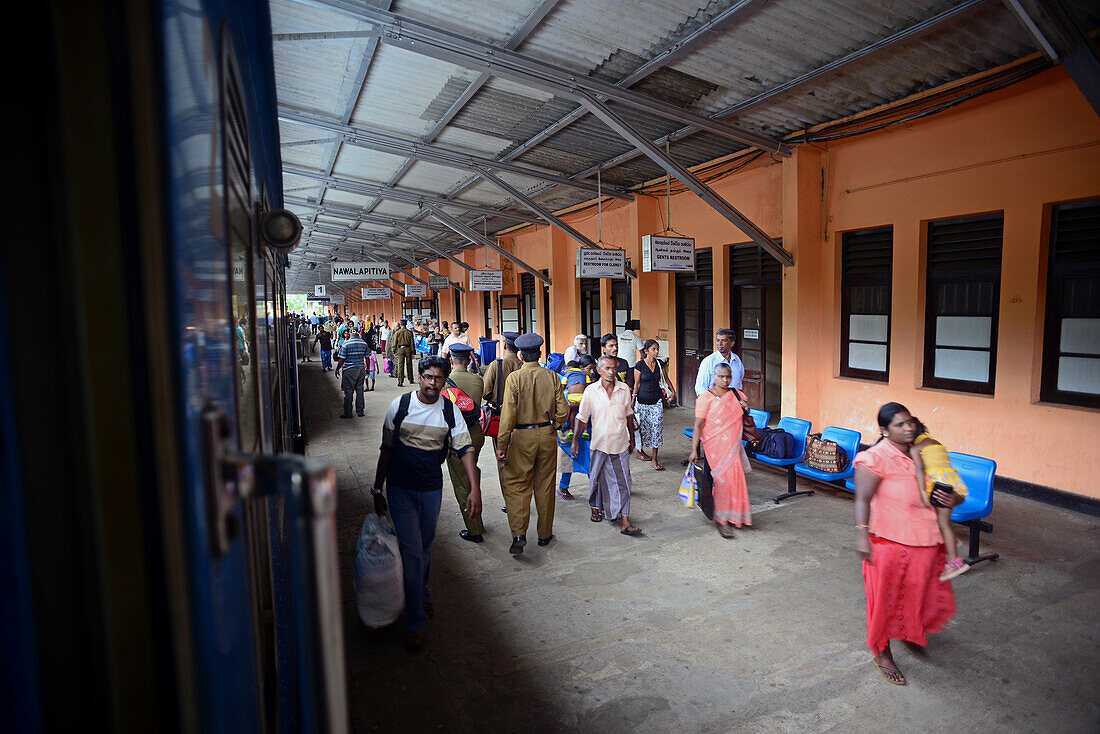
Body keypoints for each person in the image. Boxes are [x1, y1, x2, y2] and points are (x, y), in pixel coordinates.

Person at [369, 356, 480, 651]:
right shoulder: (400, 407)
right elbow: (387, 449)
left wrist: (475, 489)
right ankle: (416, 620)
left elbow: (465, 448)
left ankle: (422, 592)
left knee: (425, 548)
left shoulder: (449, 410)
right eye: (428, 377)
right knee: (414, 552)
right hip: (400, 488)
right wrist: (377, 488)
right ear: (419, 377)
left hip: (431, 489)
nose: (433, 383)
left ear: (445, 381)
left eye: (438, 379)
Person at [854, 402, 960, 686]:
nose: (908, 428)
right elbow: (862, 499)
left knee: (917, 595)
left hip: (925, 540)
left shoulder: (925, 452)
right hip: (887, 541)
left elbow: (949, 487)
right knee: (885, 601)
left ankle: (910, 633)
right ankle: (882, 652)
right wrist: (862, 535)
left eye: (910, 422)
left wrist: (954, 499)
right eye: (899, 424)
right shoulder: (875, 458)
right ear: (884, 431)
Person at [496, 333, 569, 555]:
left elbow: (508, 415)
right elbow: (563, 410)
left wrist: (502, 443)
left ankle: (519, 533)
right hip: (546, 434)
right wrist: (554, 425)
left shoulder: (514, 379)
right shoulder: (552, 377)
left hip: (521, 436)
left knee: (517, 484)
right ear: (540, 354)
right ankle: (545, 535)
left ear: (520, 355)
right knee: (545, 485)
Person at [572, 356, 641, 535]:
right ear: (599, 370)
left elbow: (628, 416)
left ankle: (625, 521)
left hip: (620, 444)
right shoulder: (590, 391)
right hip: (599, 444)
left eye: (614, 368)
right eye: (608, 368)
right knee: (596, 479)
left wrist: (632, 439)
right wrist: (575, 441)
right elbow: (582, 418)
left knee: (624, 482)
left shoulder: (624, 389)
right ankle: (596, 507)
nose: (612, 372)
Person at [688, 363, 750, 537]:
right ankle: (721, 520)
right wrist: (694, 450)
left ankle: (733, 515)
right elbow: (698, 425)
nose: (724, 380)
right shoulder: (705, 398)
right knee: (720, 482)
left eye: (728, 377)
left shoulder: (737, 395)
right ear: (713, 377)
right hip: (714, 447)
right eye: (721, 376)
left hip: (733, 447)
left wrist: (746, 407)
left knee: (734, 481)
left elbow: (742, 415)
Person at [910, 417, 971, 580]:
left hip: (938, 485)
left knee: (941, 522)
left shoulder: (916, 448)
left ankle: (955, 562)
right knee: (943, 523)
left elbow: (920, 469)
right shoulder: (934, 442)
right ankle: (950, 540)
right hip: (950, 482)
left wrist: (923, 492)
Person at [444, 344, 486, 543]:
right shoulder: (478, 380)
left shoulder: (445, 383)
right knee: (472, 474)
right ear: (469, 360)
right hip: (476, 434)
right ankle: (478, 518)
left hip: (457, 438)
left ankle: (475, 529)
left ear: (451, 360)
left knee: (462, 484)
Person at [632, 339, 673, 470]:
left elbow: (666, 379)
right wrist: (632, 403)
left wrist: (673, 391)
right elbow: (636, 384)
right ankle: (640, 451)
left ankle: (654, 459)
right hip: (642, 403)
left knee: (656, 430)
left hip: (656, 402)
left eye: (657, 349)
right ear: (646, 350)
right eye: (653, 349)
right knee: (641, 430)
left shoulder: (660, 364)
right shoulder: (639, 365)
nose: (656, 351)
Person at [694, 328, 744, 395]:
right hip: (714, 403)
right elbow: (700, 388)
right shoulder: (709, 361)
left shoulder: (737, 360)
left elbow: (739, 383)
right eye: (718, 340)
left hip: (732, 403)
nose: (719, 344)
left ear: (732, 343)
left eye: (723, 341)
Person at [334, 328, 369, 418]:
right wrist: (367, 368)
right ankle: (360, 411)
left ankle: (348, 413)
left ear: (350, 333)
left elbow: (342, 359)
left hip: (349, 370)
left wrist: (337, 368)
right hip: (361, 370)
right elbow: (367, 358)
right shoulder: (363, 343)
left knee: (348, 392)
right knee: (360, 390)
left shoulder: (346, 344)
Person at [391, 319, 415, 387]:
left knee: (400, 366)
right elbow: (412, 343)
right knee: (409, 365)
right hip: (408, 349)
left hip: (400, 349)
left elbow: (394, 343)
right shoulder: (409, 332)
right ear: (406, 324)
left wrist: (394, 351)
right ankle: (411, 379)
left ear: (400, 324)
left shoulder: (397, 333)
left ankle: (400, 381)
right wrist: (413, 352)